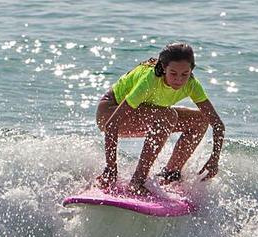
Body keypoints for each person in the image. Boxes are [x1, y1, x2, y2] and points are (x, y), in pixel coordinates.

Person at [95, 42, 225, 195]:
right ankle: (137, 181)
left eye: (185, 74)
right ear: (164, 68)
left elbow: (217, 124)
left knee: (200, 120)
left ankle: (170, 174)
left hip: (145, 115)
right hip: (109, 112)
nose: (179, 80)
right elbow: (111, 124)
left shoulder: (191, 85)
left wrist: (214, 159)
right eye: (173, 73)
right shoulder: (149, 81)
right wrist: (110, 168)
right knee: (168, 116)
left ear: (192, 70)